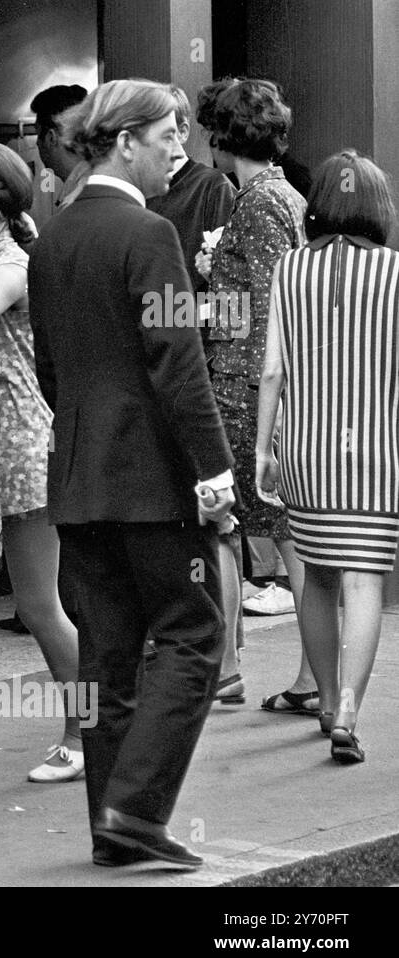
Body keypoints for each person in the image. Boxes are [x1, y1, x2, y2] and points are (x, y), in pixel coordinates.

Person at [29, 79, 235, 869]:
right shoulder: (148, 233)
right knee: (193, 634)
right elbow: (177, 363)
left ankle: (110, 829)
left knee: (106, 658)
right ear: (124, 142)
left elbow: (52, 372)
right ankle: (135, 808)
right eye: (166, 135)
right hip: (150, 480)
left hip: (79, 480)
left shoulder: (52, 238)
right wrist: (214, 473)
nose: (178, 149)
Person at [255, 150, 399, 764]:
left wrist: (264, 449)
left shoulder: (290, 268)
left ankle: (326, 699)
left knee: (316, 575)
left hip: (307, 449)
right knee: (365, 577)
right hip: (374, 449)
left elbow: (272, 371)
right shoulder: (396, 273)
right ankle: (348, 714)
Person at [0, 140, 83, 783]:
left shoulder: (10, 264)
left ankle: (86, 733)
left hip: (22, 446)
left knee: (37, 603)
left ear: (3, 199)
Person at [196, 78, 309, 710]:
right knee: (269, 526)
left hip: (244, 386)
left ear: (223, 136)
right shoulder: (283, 196)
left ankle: (241, 667)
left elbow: (263, 311)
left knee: (240, 523)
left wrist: (195, 304)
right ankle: (292, 670)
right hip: (254, 381)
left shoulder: (259, 202)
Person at [147, 84, 243, 706]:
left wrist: (172, 315)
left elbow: (234, 301)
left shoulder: (212, 189)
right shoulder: (138, 192)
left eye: (176, 127)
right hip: (155, 373)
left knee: (217, 524)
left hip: (198, 367)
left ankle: (225, 662)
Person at [30, 84, 90, 208]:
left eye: (38, 133)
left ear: (51, 137)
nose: (37, 143)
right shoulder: (99, 182)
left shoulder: (75, 202)